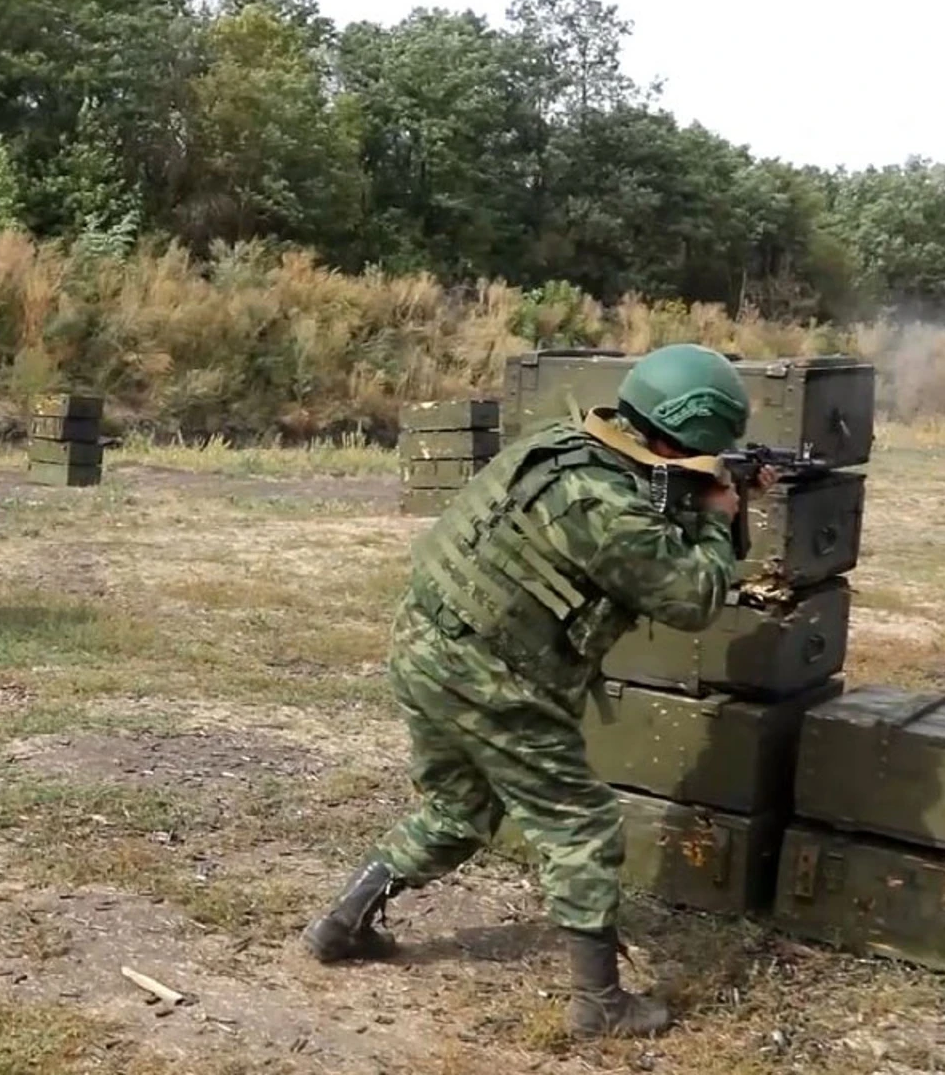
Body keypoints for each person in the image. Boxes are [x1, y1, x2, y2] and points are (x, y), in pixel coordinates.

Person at [300, 344, 777, 1040]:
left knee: (460, 810)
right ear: (685, 437)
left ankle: (340, 926)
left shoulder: (568, 444)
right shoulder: (608, 503)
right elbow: (693, 595)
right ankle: (599, 1004)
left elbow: (618, 531)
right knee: (581, 825)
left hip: (427, 650)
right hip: (492, 679)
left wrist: (700, 488)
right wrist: (715, 512)